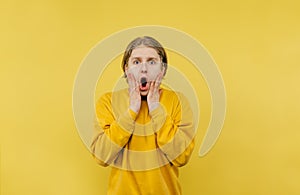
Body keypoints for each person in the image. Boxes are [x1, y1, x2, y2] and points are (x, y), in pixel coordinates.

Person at [90, 36, 195, 195]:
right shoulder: (107, 102)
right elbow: (101, 156)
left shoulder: (178, 101)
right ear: (127, 68)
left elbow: (182, 157)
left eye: (152, 61)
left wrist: (156, 109)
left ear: (162, 69)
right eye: (137, 62)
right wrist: (132, 110)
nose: (144, 68)